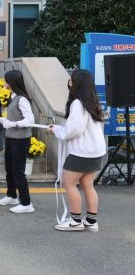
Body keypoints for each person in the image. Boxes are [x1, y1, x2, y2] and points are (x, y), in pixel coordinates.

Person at [50, 69, 106, 232]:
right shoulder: (92, 102)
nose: (69, 81)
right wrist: (60, 129)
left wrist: (57, 131)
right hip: (95, 151)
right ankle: (91, 220)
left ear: (76, 83)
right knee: (88, 184)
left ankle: (75, 221)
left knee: (68, 183)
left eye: (71, 79)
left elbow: (74, 130)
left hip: (82, 152)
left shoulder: (77, 103)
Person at [0, 70, 35, 214]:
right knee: (9, 169)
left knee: (18, 171)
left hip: (21, 139)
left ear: (11, 83)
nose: (4, 83)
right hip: (11, 137)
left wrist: (13, 124)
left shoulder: (22, 99)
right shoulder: (13, 96)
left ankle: (26, 203)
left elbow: (30, 120)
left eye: (6, 81)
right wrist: (4, 120)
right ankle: (11, 195)